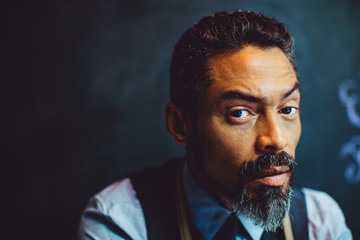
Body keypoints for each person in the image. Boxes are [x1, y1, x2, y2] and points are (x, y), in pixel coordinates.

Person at [78, 11, 353, 240]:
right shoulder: (121, 222)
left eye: (288, 109)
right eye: (240, 113)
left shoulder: (320, 222)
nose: (277, 139)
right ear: (180, 125)